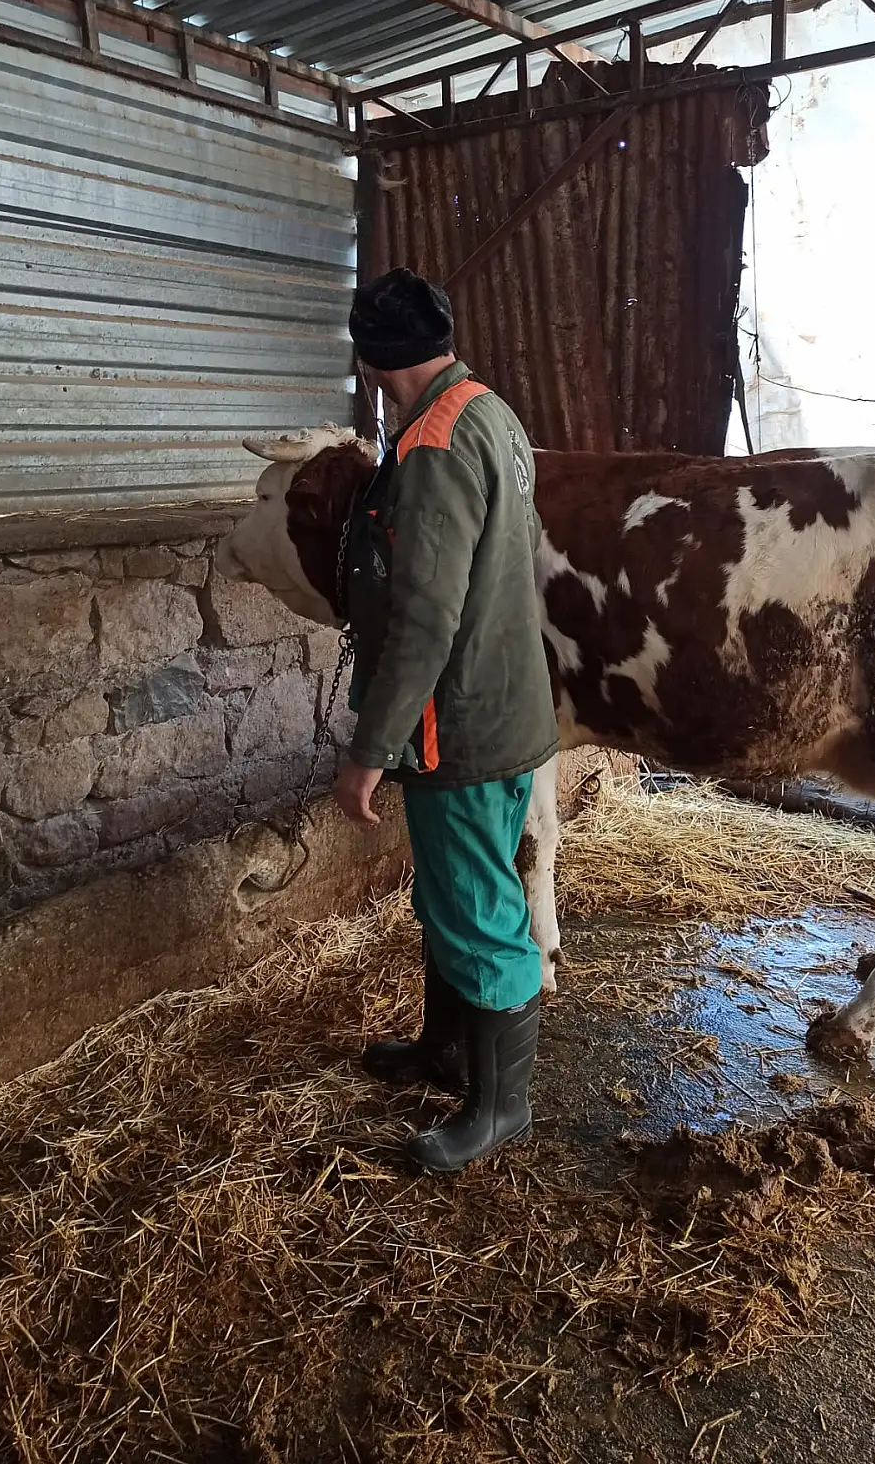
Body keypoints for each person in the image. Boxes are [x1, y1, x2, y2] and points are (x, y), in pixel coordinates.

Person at [333, 267, 558, 1174]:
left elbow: (425, 618)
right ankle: (446, 1048)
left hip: (456, 726)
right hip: (508, 705)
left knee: (477, 908)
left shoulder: (430, 444)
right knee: (451, 894)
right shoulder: (489, 411)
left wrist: (369, 750)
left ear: (372, 361)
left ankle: (502, 1107)